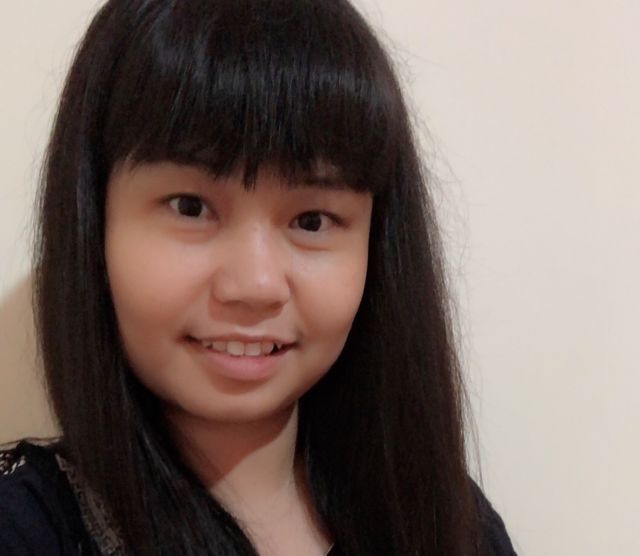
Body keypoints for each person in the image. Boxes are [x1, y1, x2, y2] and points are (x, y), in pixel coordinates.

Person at [0, 1, 517, 554]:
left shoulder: (447, 519)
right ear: (94, 223)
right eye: (190, 207)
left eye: (312, 221)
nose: (255, 285)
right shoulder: (26, 530)